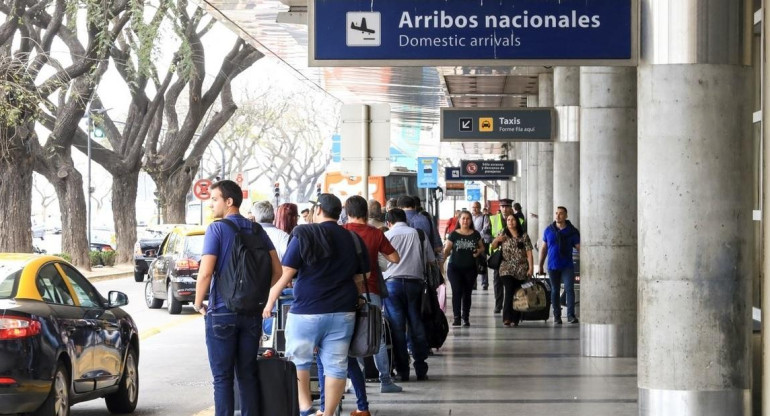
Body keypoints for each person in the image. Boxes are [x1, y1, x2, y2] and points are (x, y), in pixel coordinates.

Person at [262, 194, 368, 416]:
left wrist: (269, 301)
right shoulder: (352, 238)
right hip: (343, 312)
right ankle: (327, 413)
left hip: (306, 312)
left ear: (318, 210)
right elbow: (361, 278)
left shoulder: (304, 234)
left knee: (299, 362)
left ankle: (306, 409)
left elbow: (286, 274)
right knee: (336, 366)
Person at [194, 180, 282, 416]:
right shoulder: (257, 229)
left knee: (222, 378)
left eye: (214, 199)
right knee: (247, 373)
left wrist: (197, 302)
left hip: (222, 312)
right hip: (252, 313)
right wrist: (256, 294)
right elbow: (278, 271)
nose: (211, 205)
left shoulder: (217, 229)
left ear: (229, 201)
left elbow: (205, 272)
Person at [317, 196, 401, 416]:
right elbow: (395, 258)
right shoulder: (375, 233)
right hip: (370, 291)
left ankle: (334, 401)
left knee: (339, 347)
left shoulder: (342, 231)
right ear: (367, 212)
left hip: (344, 295)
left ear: (347, 211)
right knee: (374, 338)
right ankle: (384, 379)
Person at [383, 208, 433, 382]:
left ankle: (403, 371)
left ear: (389, 222)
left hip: (391, 286)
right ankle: (421, 369)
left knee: (397, 328)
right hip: (415, 285)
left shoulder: (387, 235)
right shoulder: (419, 235)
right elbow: (430, 260)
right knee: (416, 325)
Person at [537, 206, 581, 325]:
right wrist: (540, 265)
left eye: (561, 213)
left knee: (569, 289)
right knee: (555, 290)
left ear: (566, 216)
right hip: (552, 266)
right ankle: (557, 316)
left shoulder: (572, 231)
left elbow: (579, 247)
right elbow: (544, 248)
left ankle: (571, 315)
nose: (557, 215)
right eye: (556, 213)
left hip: (567, 265)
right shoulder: (548, 230)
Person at [442, 211, 485, 327]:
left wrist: (478, 252)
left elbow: (482, 247)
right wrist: (441, 261)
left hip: (470, 269)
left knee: (467, 293)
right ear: (459, 220)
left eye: (468, 219)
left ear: (471, 221)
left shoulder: (475, 234)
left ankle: (465, 317)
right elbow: (447, 249)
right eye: (463, 219)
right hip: (454, 268)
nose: (465, 221)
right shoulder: (453, 234)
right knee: (456, 291)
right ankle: (456, 317)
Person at [491, 214, 534, 327]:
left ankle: (515, 318)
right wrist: (497, 239)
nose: (510, 222)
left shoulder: (524, 236)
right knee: (509, 290)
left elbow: (529, 252)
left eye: (513, 220)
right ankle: (507, 318)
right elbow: (493, 247)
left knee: (518, 292)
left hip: (521, 268)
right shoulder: (503, 233)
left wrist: (531, 268)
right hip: (506, 267)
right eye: (508, 220)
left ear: (517, 221)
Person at [489, 199, 514, 313]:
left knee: (512, 281)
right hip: (499, 254)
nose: (504, 209)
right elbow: (486, 235)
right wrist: (496, 239)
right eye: (502, 206)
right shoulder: (492, 219)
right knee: (497, 281)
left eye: (507, 206)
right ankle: (498, 305)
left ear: (511, 208)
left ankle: (512, 304)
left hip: (513, 255)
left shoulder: (519, 220)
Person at [471, 201, 491, 290]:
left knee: (483, 262)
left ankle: (484, 283)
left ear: (480, 208)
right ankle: (473, 284)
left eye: (477, 207)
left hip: (481, 242)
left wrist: (478, 236)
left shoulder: (484, 217)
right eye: (473, 207)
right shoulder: (469, 217)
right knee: (472, 263)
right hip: (471, 242)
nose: (475, 209)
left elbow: (486, 228)